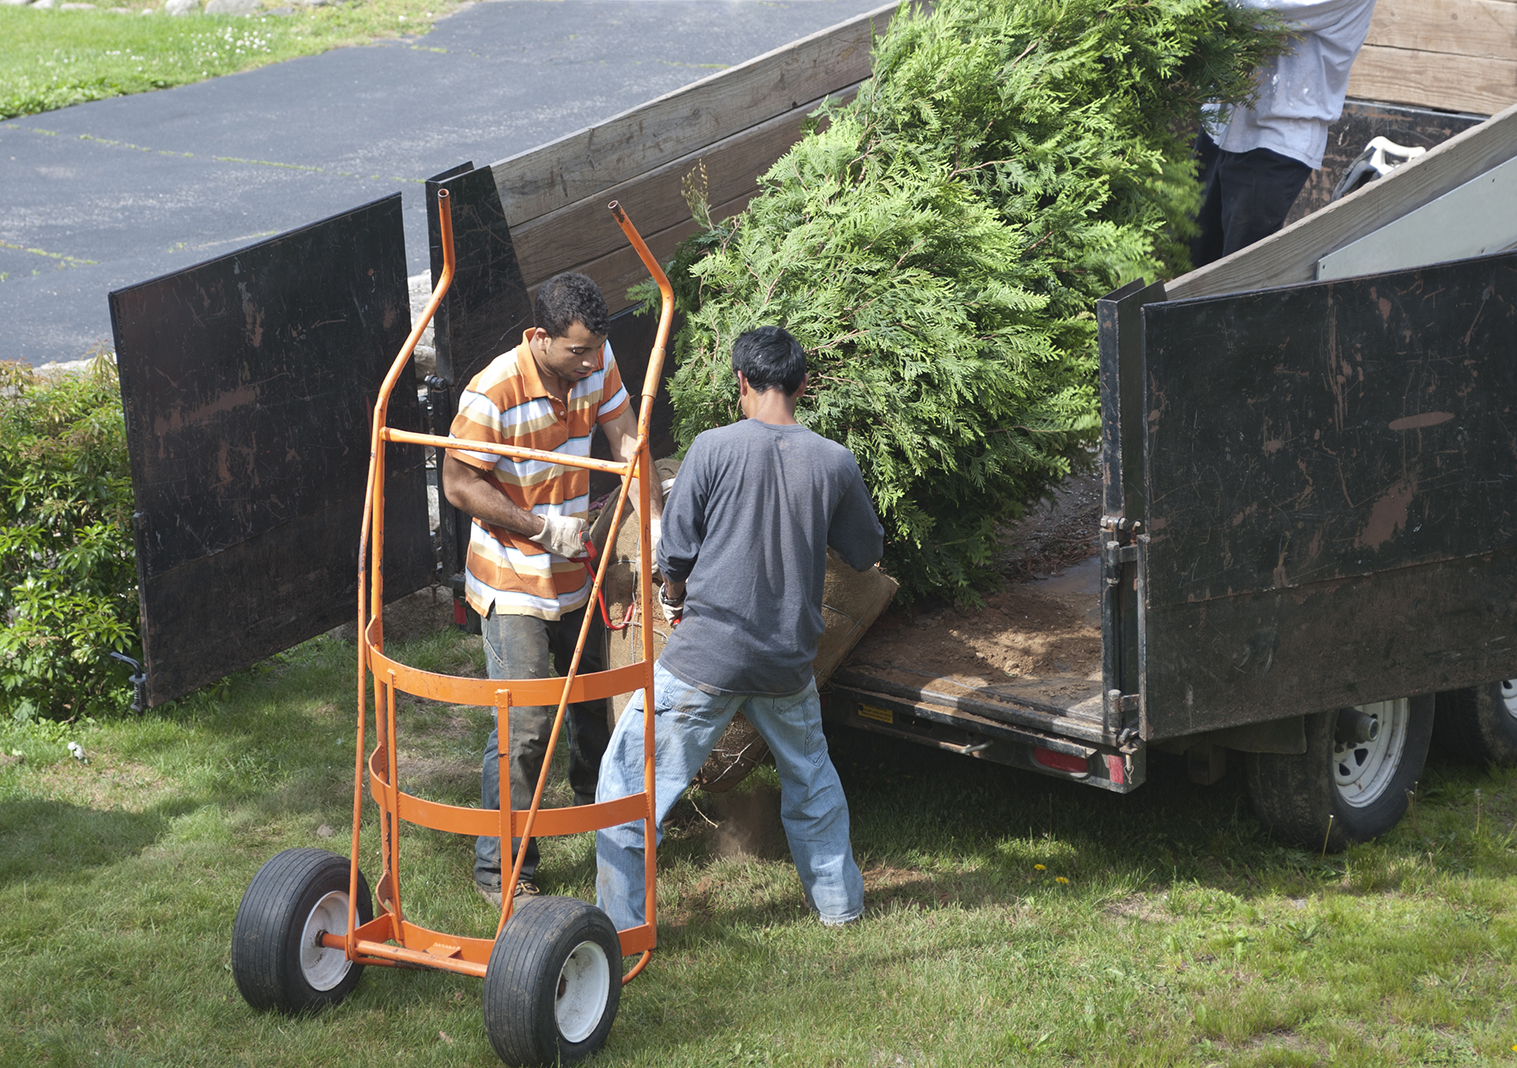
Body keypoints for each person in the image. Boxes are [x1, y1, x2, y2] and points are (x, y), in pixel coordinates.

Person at [594, 325, 885, 931]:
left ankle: (618, 928)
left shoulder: (710, 448)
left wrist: (673, 599)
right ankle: (840, 908)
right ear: (803, 385)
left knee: (626, 784)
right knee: (813, 785)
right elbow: (864, 553)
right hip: (787, 666)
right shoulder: (834, 461)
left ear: (741, 383)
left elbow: (674, 552)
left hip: (708, 660)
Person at [443, 271, 661, 907]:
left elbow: (629, 444)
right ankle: (503, 873)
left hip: (579, 572)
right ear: (538, 337)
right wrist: (541, 527)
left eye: (596, 349)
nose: (590, 363)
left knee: (596, 709)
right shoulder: (491, 393)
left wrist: (646, 537)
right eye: (576, 352)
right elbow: (459, 485)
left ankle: (605, 832)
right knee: (527, 726)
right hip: (514, 580)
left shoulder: (597, 361)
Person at [1191, 0, 1378, 266]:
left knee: (1235, 275)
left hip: (1276, 140)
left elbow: (1264, 9)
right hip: (1219, 120)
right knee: (1185, 259)